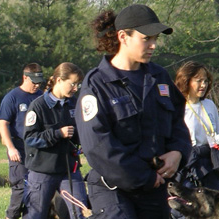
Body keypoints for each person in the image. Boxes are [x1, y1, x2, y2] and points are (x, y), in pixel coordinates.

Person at [76, 4, 191, 218]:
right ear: (123, 36)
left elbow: (178, 124)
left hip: (154, 187)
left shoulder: (159, 78)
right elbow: (97, 146)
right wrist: (142, 176)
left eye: (155, 38)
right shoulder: (97, 84)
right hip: (114, 190)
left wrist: (178, 153)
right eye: (146, 38)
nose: (153, 45)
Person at [23, 62, 88, 219]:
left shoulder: (74, 104)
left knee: (81, 213)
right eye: (72, 84)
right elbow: (30, 138)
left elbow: (82, 131)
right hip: (42, 172)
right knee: (35, 215)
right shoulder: (38, 106)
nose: (75, 89)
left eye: (78, 85)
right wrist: (57, 133)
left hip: (69, 170)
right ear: (59, 80)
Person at [0, 62, 44, 219]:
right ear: (25, 77)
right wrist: (11, 148)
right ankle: (11, 216)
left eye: (39, 82)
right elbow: (3, 123)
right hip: (19, 147)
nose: (36, 85)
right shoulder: (12, 97)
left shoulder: (41, 96)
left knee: (37, 189)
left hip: (38, 148)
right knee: (20, 187)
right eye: (33, 82)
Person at [174, 61, 219, 189]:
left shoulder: (210, 105)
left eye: (206, 81)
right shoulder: (178, 107)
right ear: (186, 81)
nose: (203, 85)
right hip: (188, 164)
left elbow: (218, 135)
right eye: (199, 81)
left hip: (210, 163)